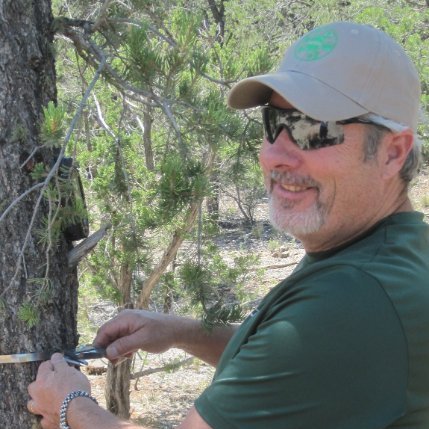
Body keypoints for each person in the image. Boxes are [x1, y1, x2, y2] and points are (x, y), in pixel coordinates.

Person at [27, 21, 429, 429]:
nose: (274, 155)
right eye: (274, 122)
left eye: (313, 129)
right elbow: (305, 364)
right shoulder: (392, 251)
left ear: (393, 153)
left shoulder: (353, 298)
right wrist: (183, 332)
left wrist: (71, 406)